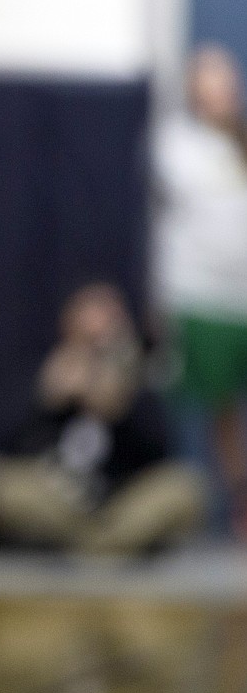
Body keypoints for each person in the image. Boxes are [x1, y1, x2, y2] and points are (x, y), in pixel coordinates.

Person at [0, 281, 206, 556]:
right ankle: (98, 550)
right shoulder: (49, 374)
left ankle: (96, 548)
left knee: (185, 488)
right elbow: (9, 450)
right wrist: (49, 403)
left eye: (105, 341)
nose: (96, 353)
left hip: (121, 505)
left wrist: (120, 412)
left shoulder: (142, 382)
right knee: (1, 486)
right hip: (59, 503)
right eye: (88, 340)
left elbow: (161, 455)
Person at [152, 44, 247, 540]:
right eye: (208, 77)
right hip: (201, 299)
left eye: (225, 76)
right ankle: (235, 504)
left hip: (245, 298)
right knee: (220, 408)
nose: (219, 86)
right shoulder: (174, 146)